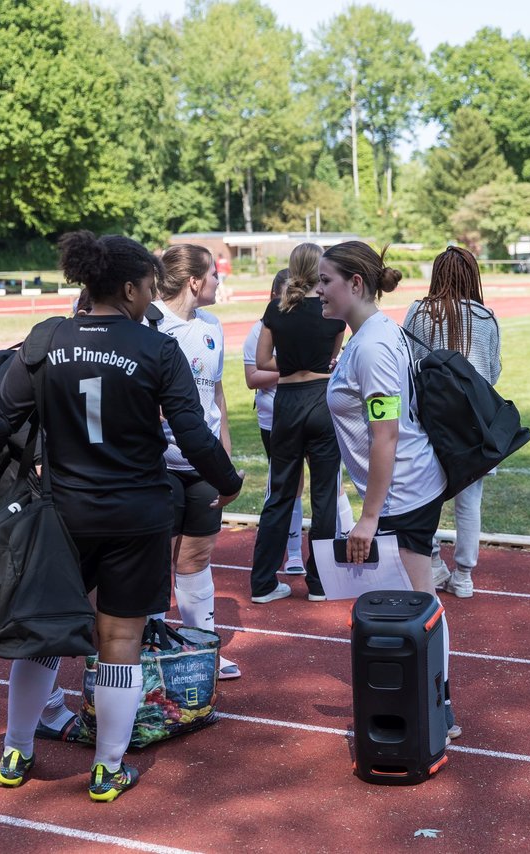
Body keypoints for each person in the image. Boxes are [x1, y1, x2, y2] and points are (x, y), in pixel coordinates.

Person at [0, 231, 243, 801]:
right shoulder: (157, 348)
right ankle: (107, 769)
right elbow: (193, 433)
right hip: (138, 514)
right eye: (146, 286)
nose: (151, 296)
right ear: (127, 288)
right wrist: (229, 482)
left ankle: (16, 750)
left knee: (41, 634)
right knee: (120, 639)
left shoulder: (46, 339)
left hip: (63, 513)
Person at [317, 240, 460, 741]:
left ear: (356, 284)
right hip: (405, 486)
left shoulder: (375, 344)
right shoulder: (371, 333)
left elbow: (386, 433)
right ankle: (430, 704)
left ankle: (436, 710)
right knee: (411, 601)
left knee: (418, 604)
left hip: (403, 492)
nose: (318, 291)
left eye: (326, 280)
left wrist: (369, 517)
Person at [151, 243, 242, 679]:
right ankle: (147, 642)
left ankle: (200, 646)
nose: (218, 282)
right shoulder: (151, 324)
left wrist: (222, 454)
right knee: (157, 560)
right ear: (194, 281)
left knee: (198, 556)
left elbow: (217, 394)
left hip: (203, 464)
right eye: (214, 275)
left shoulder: (212, 325)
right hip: (159, 463)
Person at [249, 243, 347, 603]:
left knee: (280, 494)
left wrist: (289, 362)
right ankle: (320, 583)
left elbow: (261, 361)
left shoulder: (276, 308)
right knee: (325, 498)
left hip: (287, 404)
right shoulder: (331, 311)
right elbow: (333, 358)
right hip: (322, 401)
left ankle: (262, 583)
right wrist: (313, 360)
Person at [403, 246, 501, 599]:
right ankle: (464, 576)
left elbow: (408, 362)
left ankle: (430, 559)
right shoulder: (486, 318)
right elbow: (493, 372)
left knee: (424, 496)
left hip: (430, 419)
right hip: (474, 424)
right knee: (469, 501)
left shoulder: (419, 311)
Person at [244, 270, 308, 576]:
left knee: (322, 484)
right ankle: (288, 552)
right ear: (273, 298)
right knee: (285, 485)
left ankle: (305, 552)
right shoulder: (259, 331)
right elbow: (252, 378)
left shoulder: (305, 323)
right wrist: (295, 372)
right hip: (274, 419)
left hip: (307, 412)